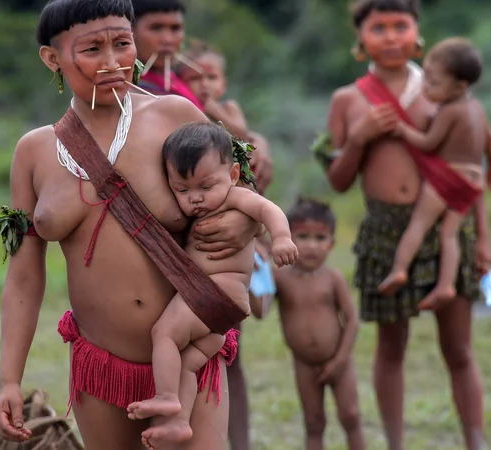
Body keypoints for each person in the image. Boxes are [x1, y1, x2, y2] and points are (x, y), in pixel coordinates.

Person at [0, 1, 263, 449]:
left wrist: (243, 229)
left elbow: (245, 193)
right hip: (101, 370)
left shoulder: (174, 116)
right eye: (93, 48)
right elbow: (23, 274)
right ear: (52, 58)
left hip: (188, 360)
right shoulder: (33, 152)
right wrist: (8, 381)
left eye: (122, 43)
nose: (114, 61)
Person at [322, 1, 491, 449]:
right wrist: (359, 138)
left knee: (458, 348)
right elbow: (338, 181)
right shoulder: (347, 99)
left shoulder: (443, 92)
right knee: (391, 348)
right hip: (385, 230)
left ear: (418, 34)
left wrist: (484, 240)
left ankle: (476, 440)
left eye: (401, 25)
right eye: (379, 27)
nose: (392, 36)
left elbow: (469, 172)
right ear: (360, 40)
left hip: (446, 227)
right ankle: (396, 443)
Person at [126, 122, 298, 449]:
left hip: (213, 293)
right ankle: (178, 423)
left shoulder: (236, 197)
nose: (196, 199)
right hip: (223, 313)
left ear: (233, 174)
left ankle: (165, 397)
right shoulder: (212, 196)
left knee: (164, 334)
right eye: (182, 190)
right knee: (189, 363)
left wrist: (282, 238)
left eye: (206, 186)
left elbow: (267, 209)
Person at [172, 39, 277, 450]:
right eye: (193, 77)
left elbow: (253, 167)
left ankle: (239, 441)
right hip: (188, 250)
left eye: (210, 76)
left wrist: (221, 117)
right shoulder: (175, 115)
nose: (203, 84)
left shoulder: (226, 114)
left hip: (228, 250)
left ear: (225, 79)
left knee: (229, 349)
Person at [378, 38, 491, 311]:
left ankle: (399, 269)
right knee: (449, 235)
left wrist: (402, 129)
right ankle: (446, 285)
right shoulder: (478, 109)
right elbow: (490, 142)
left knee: (419, 225)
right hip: (472, 181)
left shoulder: (451, 111)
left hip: (448, 178)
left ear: (459, 87)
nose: (425, 88)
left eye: (432, 83)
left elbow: (427, 143)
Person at [273, 198, 364, 450]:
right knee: (313, 422)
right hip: (304, 364)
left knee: (351, 416)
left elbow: (352, 319)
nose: (312, 246)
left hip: (338, 361)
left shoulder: (332, 279)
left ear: (332, 244)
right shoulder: (281, 278)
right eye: (303, 236)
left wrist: (340, 360)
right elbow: (260, 306)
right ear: (287, 238)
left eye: (320, 238)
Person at [131, 0, 204, 109]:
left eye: (175, 28)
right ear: (131, 31)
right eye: (156, 28)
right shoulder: (128, 90)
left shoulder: (185, 80)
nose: (167, 39)